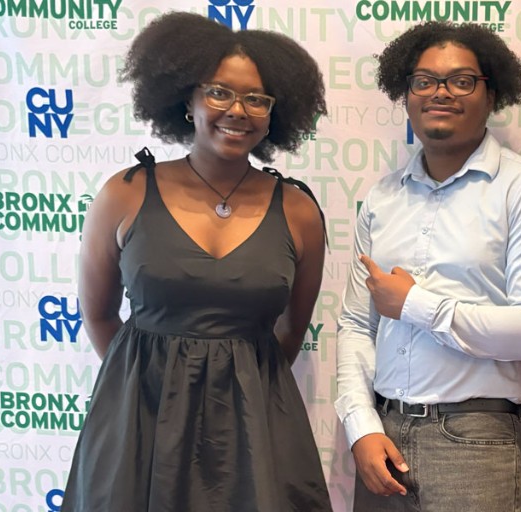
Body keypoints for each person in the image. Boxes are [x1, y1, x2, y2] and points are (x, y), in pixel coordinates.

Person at [63, 12, 331, 511]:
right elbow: (99, 315)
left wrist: (239, 381)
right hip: (138, 418)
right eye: (219, 92)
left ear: (276, 113)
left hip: (256, 428)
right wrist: (147, 378)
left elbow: (292, 330)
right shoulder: (124, 195)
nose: (238, 110)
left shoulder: (298, 211)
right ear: (186, 98)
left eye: (257, 98)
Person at [334, 21, 521, 512]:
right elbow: (357, 323)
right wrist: (361, 427)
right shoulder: (383, 196)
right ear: (406, 94)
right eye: (424, 80)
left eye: (462, 80)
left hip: (476, 440)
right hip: (384, 437)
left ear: (492, 95)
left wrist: (417, 305)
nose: (440, 92)